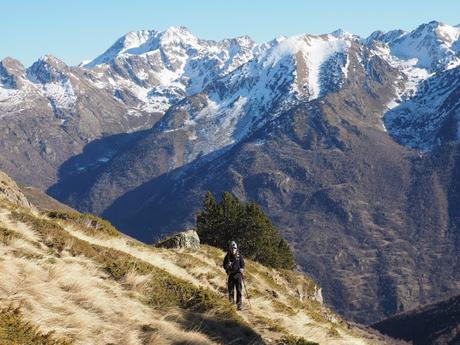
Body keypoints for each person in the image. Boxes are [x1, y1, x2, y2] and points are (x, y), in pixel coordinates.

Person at [223, 240, 245, 310]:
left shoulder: (239, 256)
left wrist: (242, 269)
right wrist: (227, 267)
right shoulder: (227, 256)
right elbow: (224, 265)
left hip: (238, 275)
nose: (233, 249)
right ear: (230, 248)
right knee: (231, 290)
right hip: (231, 275)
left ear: (236, 248)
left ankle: (239, 305)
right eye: (232, 248)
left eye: (234, 248)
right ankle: (231, 304)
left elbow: (243, 264)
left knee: (239, 290)